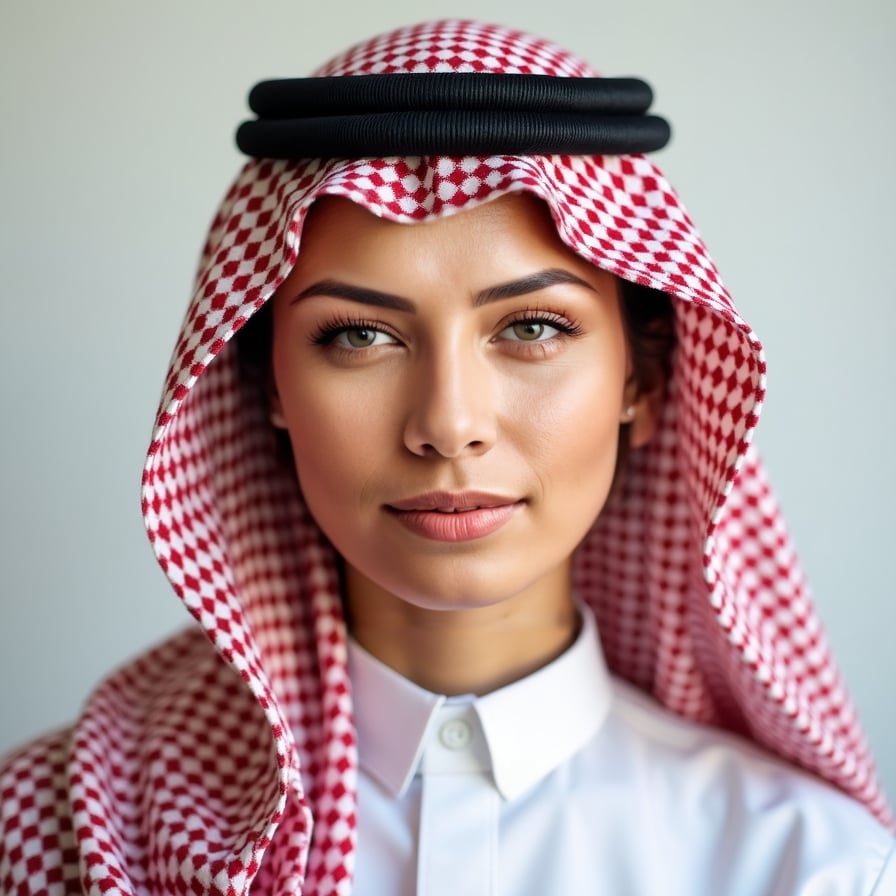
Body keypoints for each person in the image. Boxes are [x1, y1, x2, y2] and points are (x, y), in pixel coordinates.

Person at [1, 18, 893, 896]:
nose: (448, 423)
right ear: (269, 386)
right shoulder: (61, 825)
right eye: (358, 336)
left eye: (533, 327)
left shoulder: (810, 868)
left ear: (644, 383)